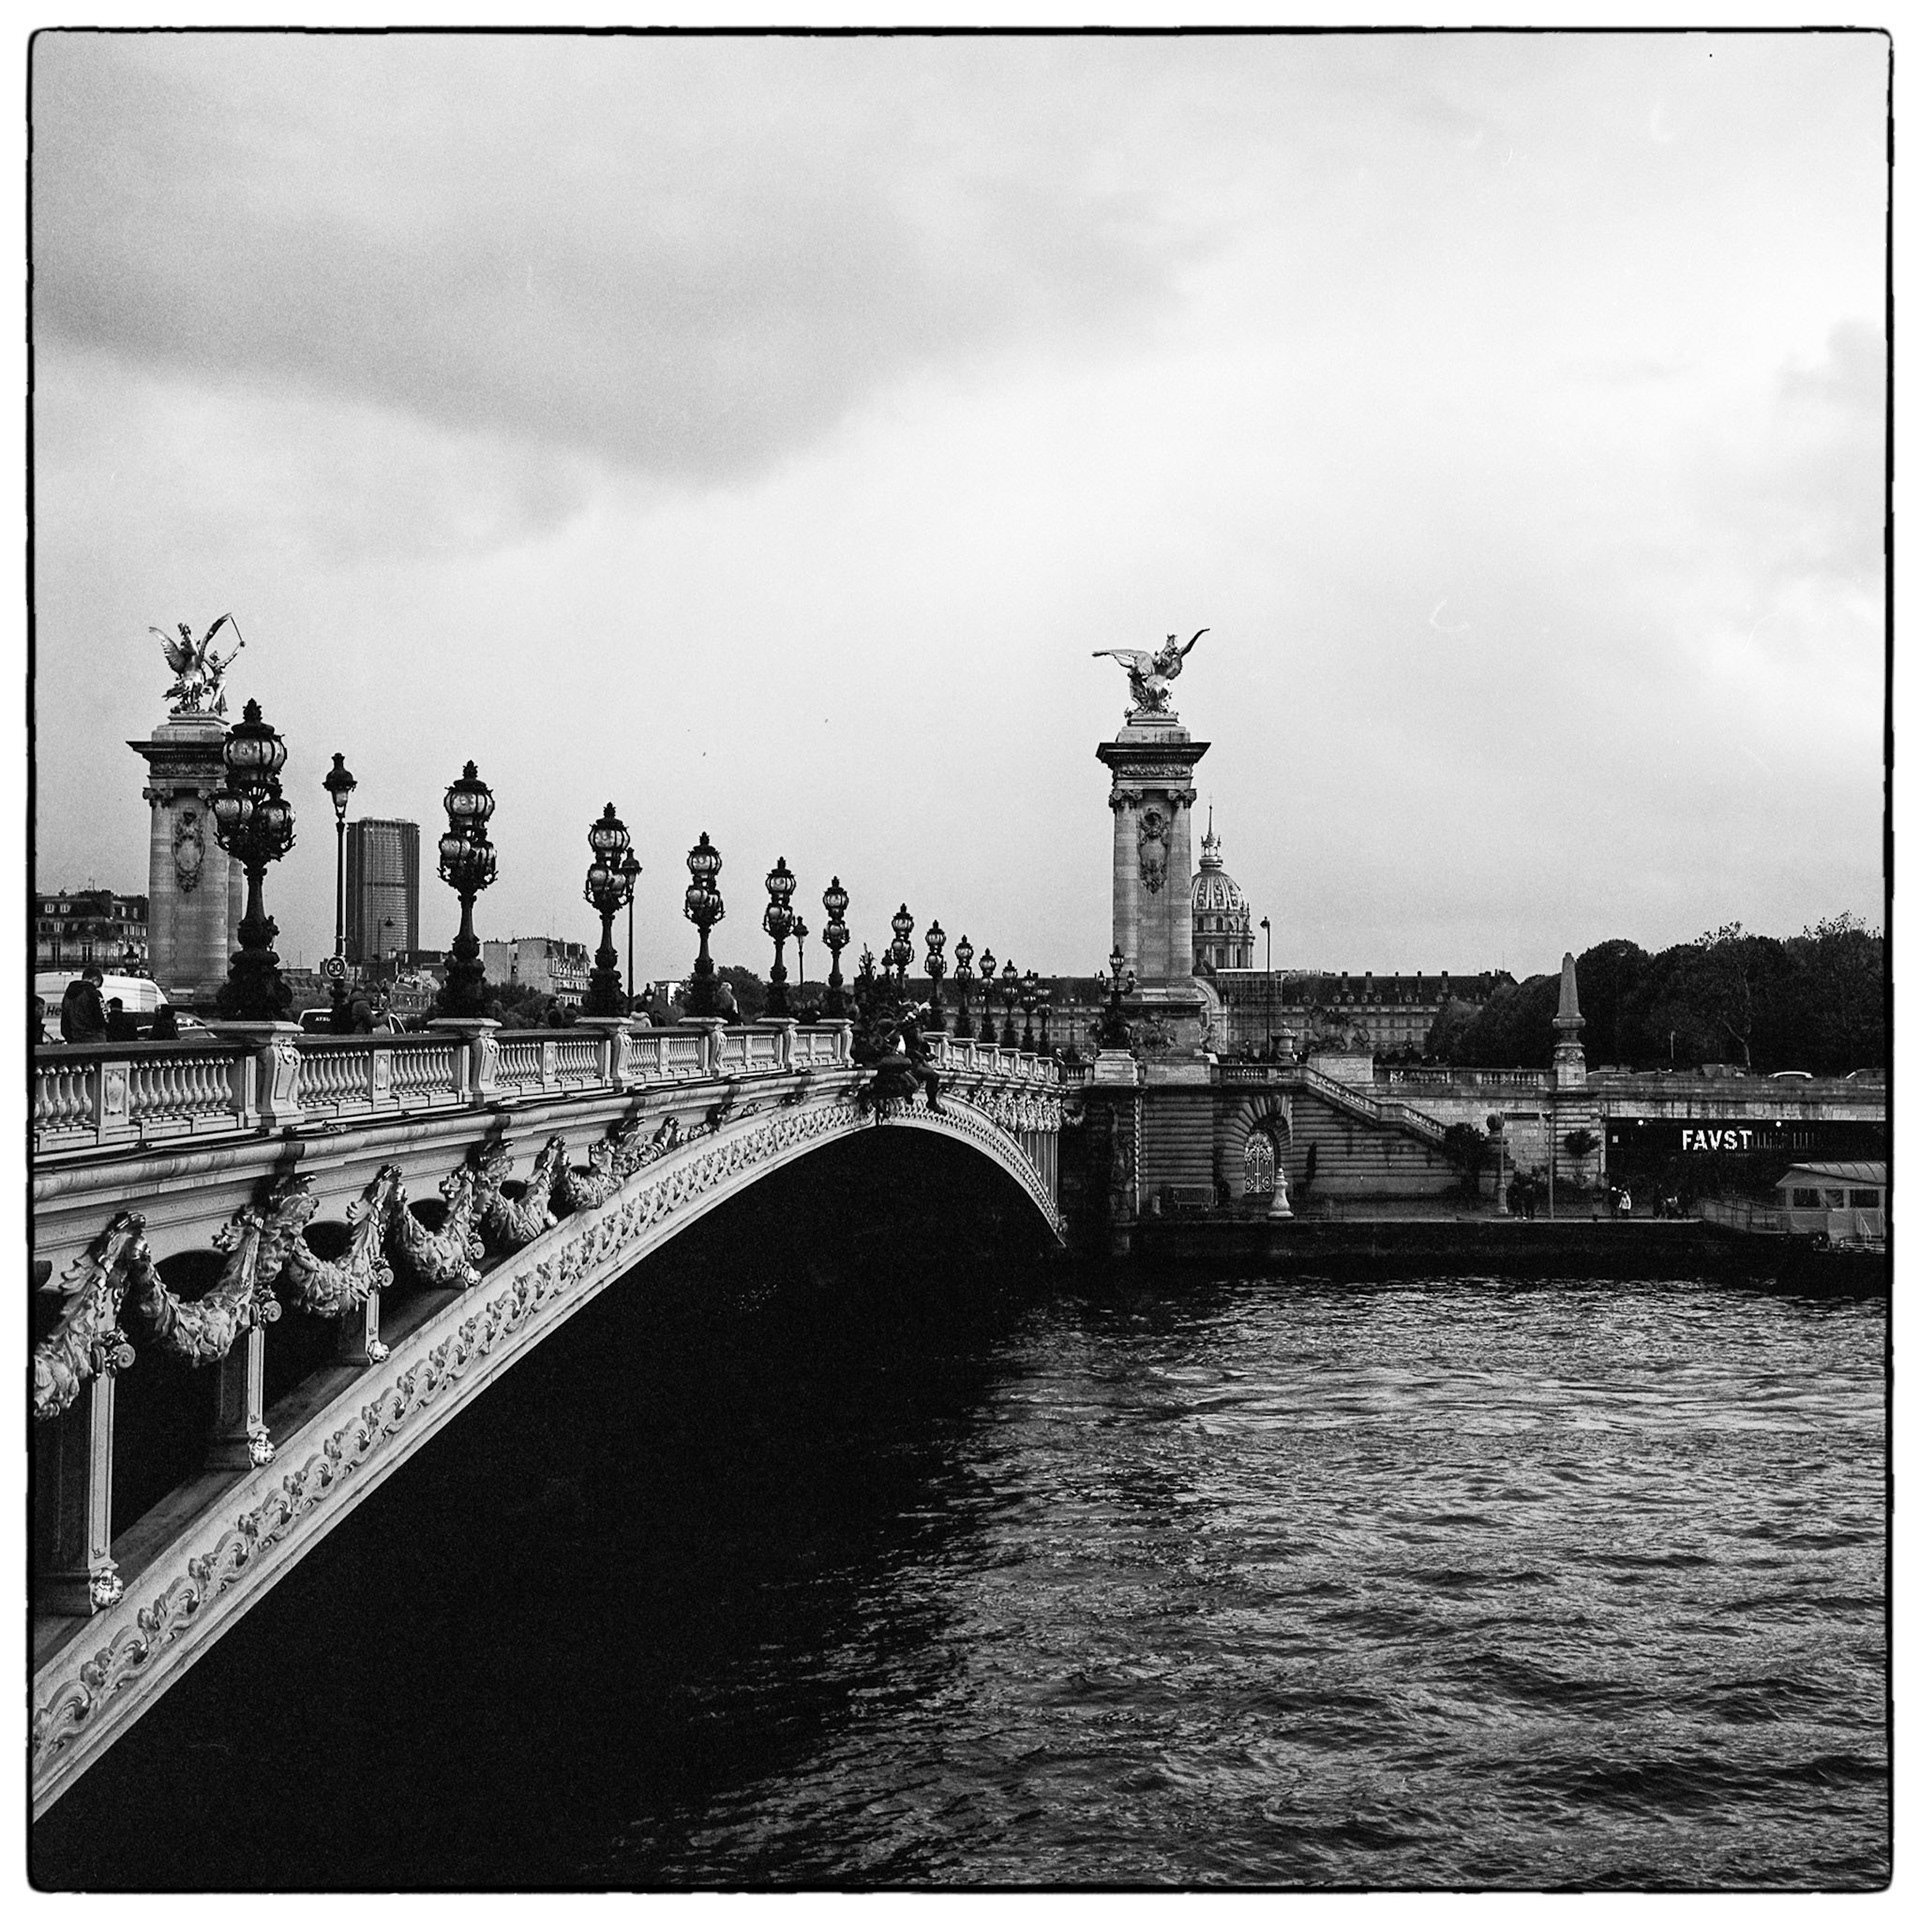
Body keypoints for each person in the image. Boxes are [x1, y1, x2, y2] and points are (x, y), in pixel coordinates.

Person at [60, 968, 108, 1044]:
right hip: (94, 1040)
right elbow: (101, 1020)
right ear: (95, 980)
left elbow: (65, 1023)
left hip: (74, 1041)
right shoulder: (94, 994)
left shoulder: (68, 995)